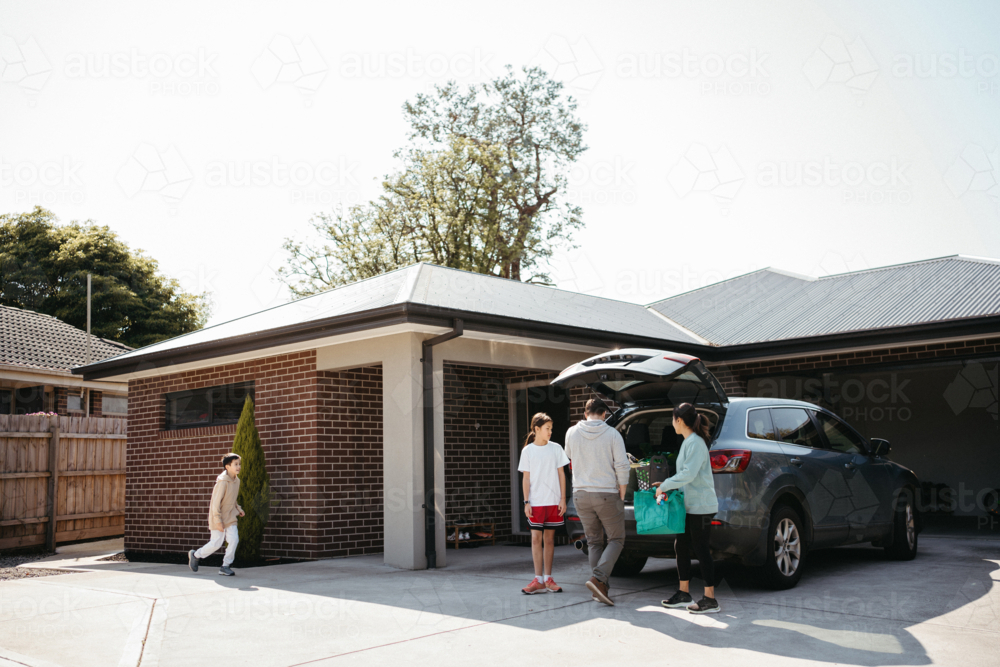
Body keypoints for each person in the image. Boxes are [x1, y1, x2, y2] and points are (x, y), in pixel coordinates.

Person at [655, 403, 721, 614]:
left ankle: (710, 599)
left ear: (679, 421)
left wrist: (665, 484)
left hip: (701, 506)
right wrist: (666, 486)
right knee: (681, 545)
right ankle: (684, 593)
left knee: (701, 549)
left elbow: (688, 474)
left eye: (672, 419)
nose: (671, 423)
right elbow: (684, 476)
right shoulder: (688, 442)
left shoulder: (695, 443)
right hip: (690, 505)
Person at [564, 397, 629, 606]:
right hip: (606, 493)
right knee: (616, 539)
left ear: (585, 413)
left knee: (593, 541)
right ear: (604, 414)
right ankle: (598, 578)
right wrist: (622, 493)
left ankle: (600, 589)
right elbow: (622, 466)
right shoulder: (612, 434)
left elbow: (569, 459)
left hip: (580, 494)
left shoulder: (571, 433)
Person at [518, 412, 570, 594]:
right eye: (547, 429)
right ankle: (537, 579)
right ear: (537, 429)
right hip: (536, 502)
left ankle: (548, 579)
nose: (550, 432)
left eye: (551, 429)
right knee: (535, 539)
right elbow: (526, 478)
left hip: (554, 502)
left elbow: (562, 474)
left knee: (549, 540)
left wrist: (563, 499)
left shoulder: (556, 448)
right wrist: (526, 502)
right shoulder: (527, 451)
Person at [188, 453, 245, 576]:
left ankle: (225, 566)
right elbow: (215, 503)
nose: (238, 466)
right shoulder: (222, 482)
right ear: (227, 466)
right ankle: (195, 555)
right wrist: (218, 521)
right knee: (216, 543)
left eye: (239, 464)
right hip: (217, 516)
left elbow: (232, 498)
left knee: (234, 539)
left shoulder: (237, 481)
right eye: (235, 464)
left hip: (230, 516)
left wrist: (239, 509)